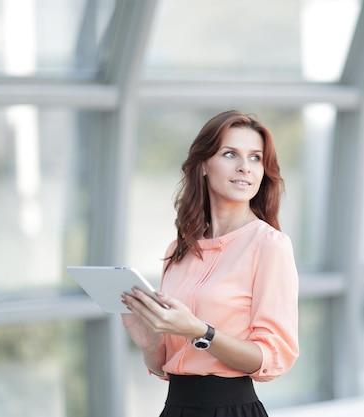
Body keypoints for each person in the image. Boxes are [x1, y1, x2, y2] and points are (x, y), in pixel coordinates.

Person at [121, 110, 299, 417]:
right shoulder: (179, 249)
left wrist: (200, 332)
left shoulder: (269, 245)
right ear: (203, 165)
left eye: (255, 157)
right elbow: (166, 367)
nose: (245, 167)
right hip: (176, 408)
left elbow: (272, 358)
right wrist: (151, 344)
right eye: (231, 154)